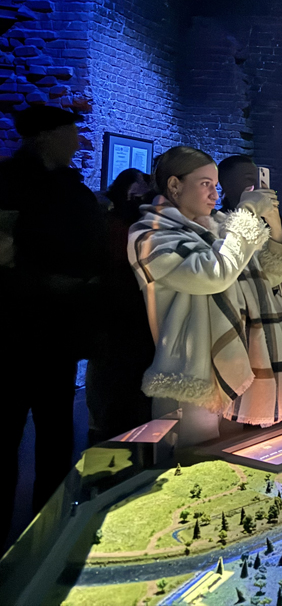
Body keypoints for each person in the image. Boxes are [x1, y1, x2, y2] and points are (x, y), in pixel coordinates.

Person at [128, 146, 282, 445]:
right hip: (192, 375)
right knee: (195, 462)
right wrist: (246, 214)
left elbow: (265, 279)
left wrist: (273, 222)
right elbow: (214, 274)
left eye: (216, 185)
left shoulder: (221, 227)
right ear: (174, 185)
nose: (215, 194)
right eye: (205, 184)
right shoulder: (150, 235)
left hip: (239, 364)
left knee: (232, 456)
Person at [0, 106, 105, 548]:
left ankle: (48, 532)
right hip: (15, 328)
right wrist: (47, 282)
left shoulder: (68, 186)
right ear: (45, 136)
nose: (78, 141)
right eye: (70, 132)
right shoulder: (10, 183)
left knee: (57, 436)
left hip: (59, 332)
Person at [86, 168, 157, 443]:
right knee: (114, 378)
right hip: (124, 309)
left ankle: (104, 429)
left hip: (118, 309)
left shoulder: (115, 221)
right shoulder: (124, 225)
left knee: (110, 377)